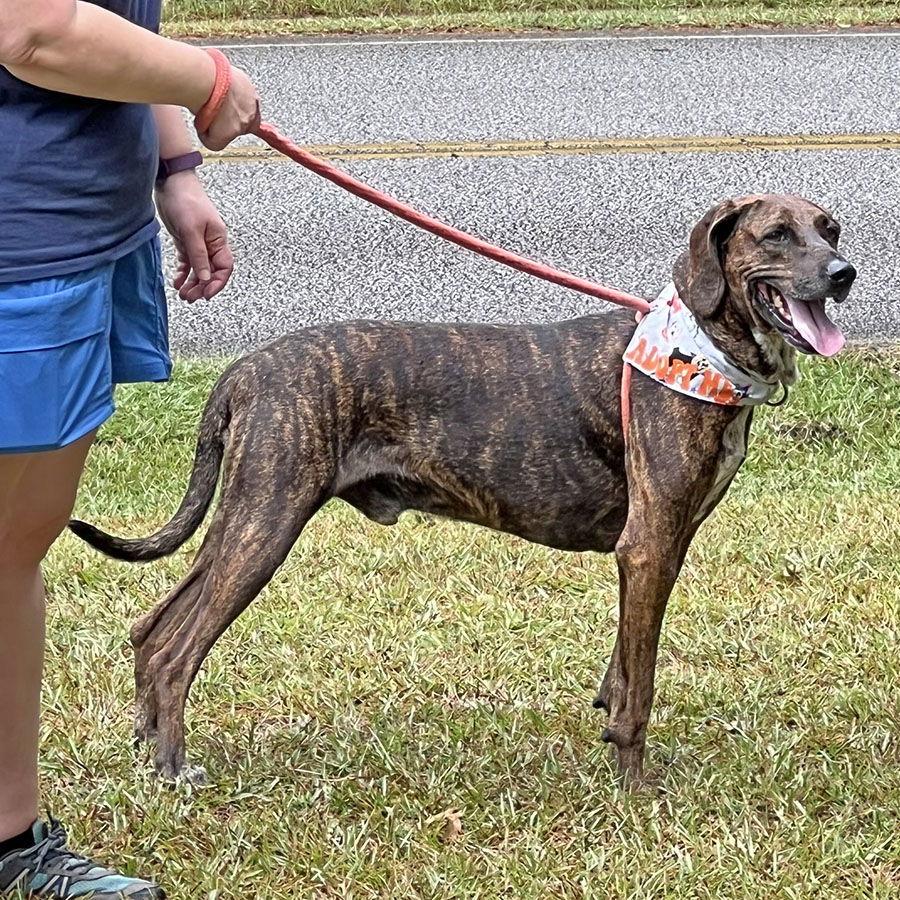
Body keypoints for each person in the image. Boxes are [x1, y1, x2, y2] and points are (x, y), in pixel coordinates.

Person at [0, 2, 262, 896]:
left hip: (76, 234)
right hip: (15, 250)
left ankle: (9, 842)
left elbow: (108, 20)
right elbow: (31, 30)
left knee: (11, 549)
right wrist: (208, 81)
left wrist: (173, 163)